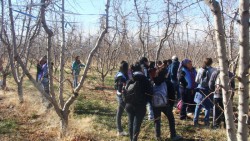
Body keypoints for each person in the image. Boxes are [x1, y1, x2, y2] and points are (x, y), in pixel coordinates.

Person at [152, 66, 182, 141]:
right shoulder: (168, 82)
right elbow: (172, 95)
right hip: (166, 104)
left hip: (155, 104)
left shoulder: (153, 81)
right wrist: (171, 105)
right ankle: (173, 135)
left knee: (157, 120)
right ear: (166, 74)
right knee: (171, 119)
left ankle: (157, 137)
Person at [125, 62, 153, 141]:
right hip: (140, 106)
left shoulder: (130, 79)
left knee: (131, 122)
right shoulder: (145, 80)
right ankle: (134, 139)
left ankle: (131, 139)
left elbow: (125, 91)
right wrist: (147, 101)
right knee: (137, 125)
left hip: (129, 105)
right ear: (141, 70)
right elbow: (150, 94)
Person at [193, 58, 216, 126]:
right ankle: (206, 122)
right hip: (209, 89)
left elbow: (196, 80)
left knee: (198, 105)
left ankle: (195, 121)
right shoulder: (213, 70)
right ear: (211, 63)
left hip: (200, 89)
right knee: (208, 107)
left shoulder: (200, 69)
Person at [114, 61, 129, 136]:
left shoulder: (119, 73)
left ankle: (119, 130)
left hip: (118, 95)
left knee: (119, 112)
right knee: (121, 113)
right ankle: (120, 131)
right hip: (121, 97)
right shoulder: (121, 77)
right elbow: (120, 88)